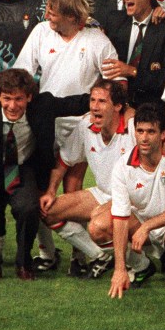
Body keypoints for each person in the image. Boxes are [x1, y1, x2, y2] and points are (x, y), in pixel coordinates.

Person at [13, 0, 119, 269]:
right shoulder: (41, 32)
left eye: (53, 12)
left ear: (72, 16)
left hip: (83, 122)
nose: (48, 15)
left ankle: (80, 255)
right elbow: (23, 72)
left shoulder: (97, 40)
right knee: (39, 187)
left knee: (73, 188)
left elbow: (114, 84)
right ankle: (47, 253)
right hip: (46, 122)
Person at [0, 69, 84, 282]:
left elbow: (76, 103)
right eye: (7, 98)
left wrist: (115, 97)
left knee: (29, 207)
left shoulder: (43, 105)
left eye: (19, 99)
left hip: (21, 169)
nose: (12, 105)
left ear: (29, 96)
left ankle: (23, 261)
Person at [39, 79, 136, 279]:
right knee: (46, 210)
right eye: (92, 100)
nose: (94, 106)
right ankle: (99, 256)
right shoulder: (86, 124)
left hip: (133, 199)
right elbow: (64, 160)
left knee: (97, 226)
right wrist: (50, 191)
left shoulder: (134, 126)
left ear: (118, 106)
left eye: (102, 101)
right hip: (102, 193)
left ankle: (141, 264)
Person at [108, 102, 165, 298]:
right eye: (140, 131)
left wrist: (147, 227)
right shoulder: (122, 167)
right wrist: (119, 269)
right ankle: (141, 266)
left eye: (151, 132)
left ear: (162, 134)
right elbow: (120, 218)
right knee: (100, 224)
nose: (144, 138)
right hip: (142, 224)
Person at [99, 0, 165, 107]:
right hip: (117, 108)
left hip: (152, 109)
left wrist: (131, 71)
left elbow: (164, 78)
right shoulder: (114, 21)